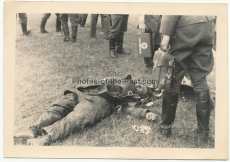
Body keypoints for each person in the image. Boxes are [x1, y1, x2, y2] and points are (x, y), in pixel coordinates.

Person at [14, 75, 158, 146]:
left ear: (143, 95)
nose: (139, 86)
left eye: (142, 89)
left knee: (76, 118)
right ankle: (33, 130)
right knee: (58, 108)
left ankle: (46, 138)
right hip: (83, 92)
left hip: (100, 101)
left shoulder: (129, 99)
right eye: (139, 84)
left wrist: (146, 113)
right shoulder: (123, 79)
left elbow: (130, 110)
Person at [159, 15, 216, 142]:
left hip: (185, 26)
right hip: (207, 23)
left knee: (172, 77)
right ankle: (203, 133)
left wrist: (165, 38)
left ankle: (165, 128)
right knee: (200, 79)